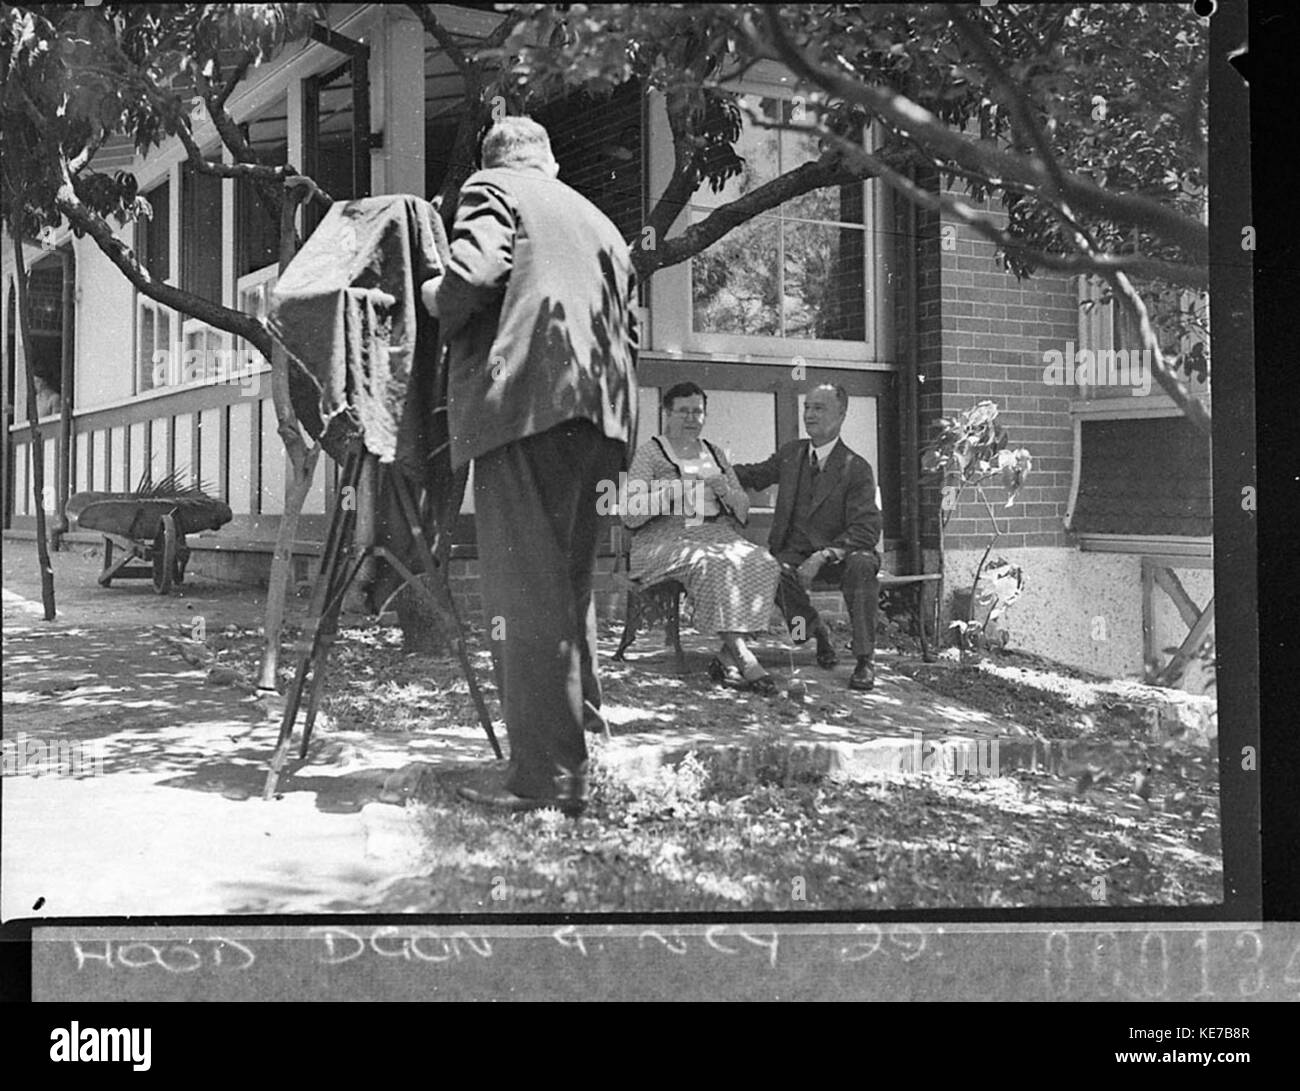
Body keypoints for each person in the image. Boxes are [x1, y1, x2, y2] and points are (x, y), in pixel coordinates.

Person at [421, 116, 638, 815]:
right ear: (547, 162)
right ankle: (584, 743)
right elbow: (631, 332)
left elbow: (471, 276)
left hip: (525, 413)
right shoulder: (601, 221)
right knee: (568, 589)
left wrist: (431, 294)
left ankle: (546, 779)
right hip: (602, 421)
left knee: (523, 594)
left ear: (500, 161)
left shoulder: (491, 187)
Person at [623, 383, 781, 694]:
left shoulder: (715, 453)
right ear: (666, 414)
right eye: (683, 411)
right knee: (710, 563)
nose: (692, 418)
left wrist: (725, 489)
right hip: (664, 536)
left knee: (764, 561)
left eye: (698, 411)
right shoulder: (651, 453)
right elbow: (630, 513)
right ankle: (745, 659)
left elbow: (743, 512)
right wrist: (676, 489)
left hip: (717, 532)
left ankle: (726, 656)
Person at [734, 384, 883, 691]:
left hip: (841, 557)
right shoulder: (792, 454)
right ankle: (815, 631)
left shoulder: (856, 468)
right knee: (770, 567)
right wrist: (711, 468)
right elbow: (756, 475)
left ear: (841, 414)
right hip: (795, 553)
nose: (810, 414)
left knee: (863, 565)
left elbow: (866, 529)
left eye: (820, 408)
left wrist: (825, 555)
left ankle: (865, 659)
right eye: (807, 407)